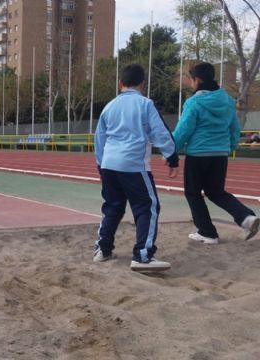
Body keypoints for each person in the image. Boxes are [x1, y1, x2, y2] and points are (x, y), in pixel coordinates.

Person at [94, 64, 179, 272]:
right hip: (133, 164)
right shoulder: (145, 104)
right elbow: (160, 131)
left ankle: (102, 249)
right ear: (142, 84)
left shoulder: (109, 106)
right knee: (147, 207)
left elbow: (99, 138)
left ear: (120, 84)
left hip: (109, 164)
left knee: (112, 206)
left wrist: (100, 164)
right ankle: (142, 255)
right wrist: (172, 156)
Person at [174, 62, 259, 243]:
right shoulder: (228, 101)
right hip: (220, 154)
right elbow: (234, 128)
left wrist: (171, 149)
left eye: (191, 80)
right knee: (217, 192)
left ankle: (207, 232)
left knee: (193, 193)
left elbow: (183, 131)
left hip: (198, 154)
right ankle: (246, 217)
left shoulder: (194, 102)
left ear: (197, 80)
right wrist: (229, 146)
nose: (190, 83)